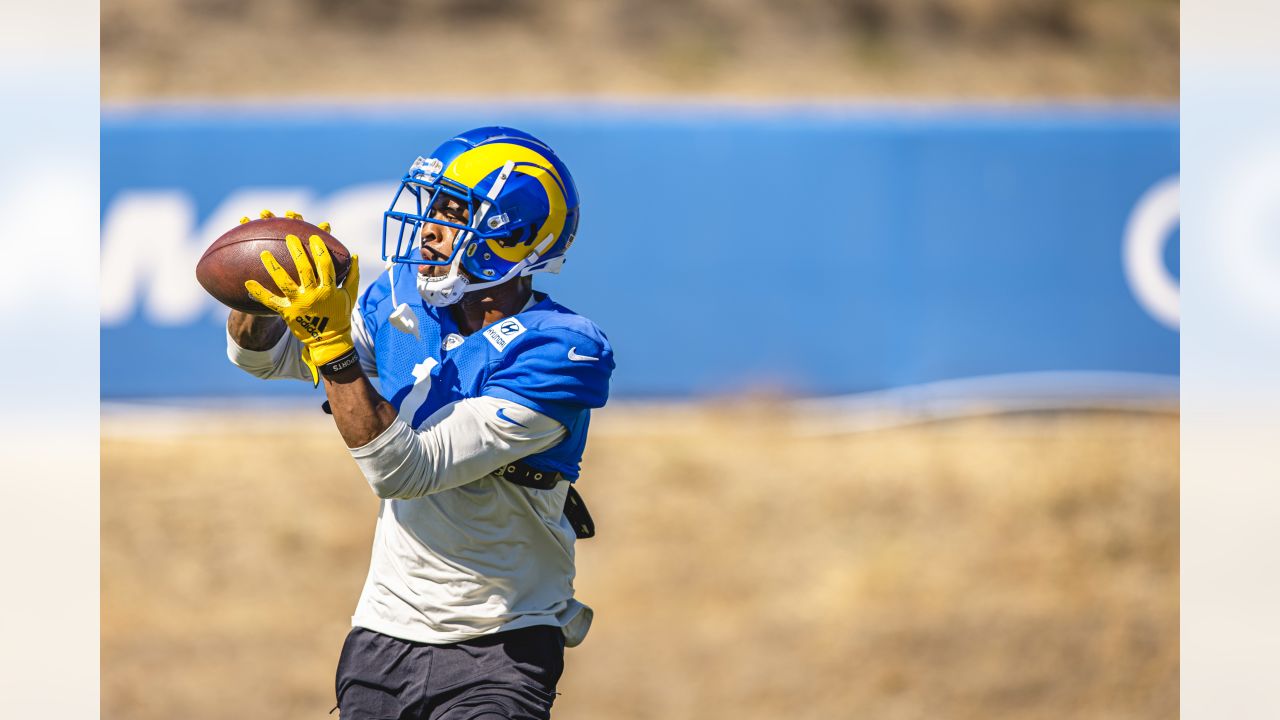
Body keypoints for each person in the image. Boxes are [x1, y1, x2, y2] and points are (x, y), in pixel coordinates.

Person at [224, 126, 614, 719]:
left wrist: (332, 346)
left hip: (500, 639)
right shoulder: (402, 296)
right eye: (430, 206)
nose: (429, 228)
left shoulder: (560, 350)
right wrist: (266, 296)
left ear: (511, 234)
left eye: (454, 212)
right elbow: (266, 358)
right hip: (381, 635)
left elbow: (403, 468)